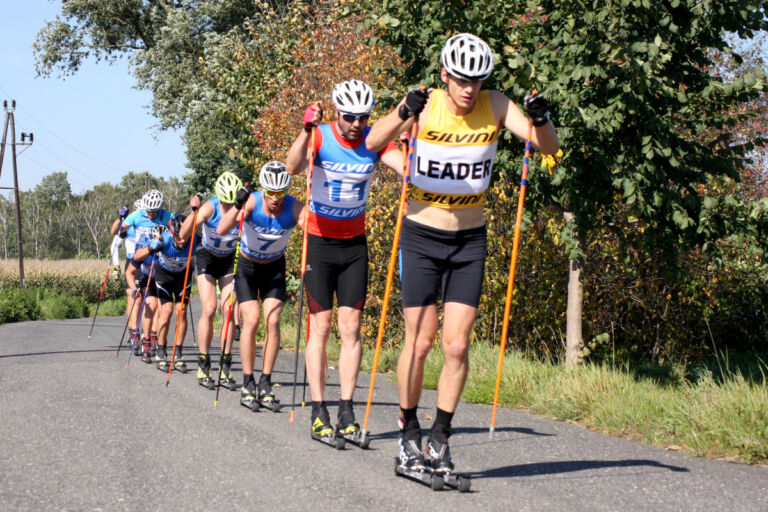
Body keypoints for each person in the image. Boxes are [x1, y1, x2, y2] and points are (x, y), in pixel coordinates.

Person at [365, 33, 560, 473]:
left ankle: (440, 438)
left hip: (469, 241)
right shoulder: (427, 104)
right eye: (461, 80)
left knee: (456, 345)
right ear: (444, 76)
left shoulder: (496, 104)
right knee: (420, 342)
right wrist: (403, 111)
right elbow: (374, 142)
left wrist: (541, 118)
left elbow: (547, 147)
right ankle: (408, 432)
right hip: (421, 237)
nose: (469, 89)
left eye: (477, 80)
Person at [285, 80, 402, 439]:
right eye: (350, 117)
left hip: (354, 246)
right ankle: (319, 409)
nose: (356, 124)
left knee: (351, 329)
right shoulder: (320, 135)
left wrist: (411, 138)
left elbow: (406, 168)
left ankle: (347, 409)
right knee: (320, 328)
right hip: (319, 243)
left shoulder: (374, 139)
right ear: (337, 112)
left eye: (363, 117)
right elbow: (292, 167)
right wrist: (305, 131)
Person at [217, 161, 305, 410]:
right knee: (252, 320)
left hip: (274, 269)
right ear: (263, 189)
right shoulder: (251, 202)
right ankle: (248, 381)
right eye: (270, 192)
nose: (275, 198)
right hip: (247, 268)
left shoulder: (294, 207)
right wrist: (237, 206)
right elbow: (222, 229)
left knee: (272, 321)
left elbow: (314, 230)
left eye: (281, 192)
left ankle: (265, 382)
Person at [180, 172, 243, 389]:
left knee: (229, 310)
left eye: (231, 203)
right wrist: (194, 213)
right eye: (224, 202)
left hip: (229, 260)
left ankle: (225, 364)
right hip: (207, 257)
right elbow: (183, 234)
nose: (228, 207)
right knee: (209, 309)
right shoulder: (210, 208)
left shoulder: (241, 209)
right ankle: (203, 362)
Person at [133, 213, 199, 372]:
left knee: (181, 311)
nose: (182, 240)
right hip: (164, 276)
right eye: (179, 236)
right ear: (172, 233)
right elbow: (136, 256)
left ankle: (178, 354)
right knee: (167, 311)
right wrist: (151, 247)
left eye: (186, 236)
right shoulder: (164, 239)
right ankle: (161, 352)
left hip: (183, 276)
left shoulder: (195, 239)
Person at [130, 224, 165, 363]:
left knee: (162, 308)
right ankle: (146, 341)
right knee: (151, 304)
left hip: (162, 279)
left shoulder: (168, 251)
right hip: (146, 277)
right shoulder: (144, 250)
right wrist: (134, 288)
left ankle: (155, 338)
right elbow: (129, 272)